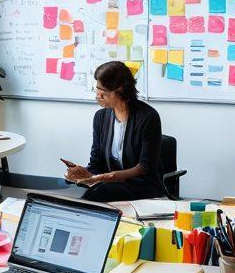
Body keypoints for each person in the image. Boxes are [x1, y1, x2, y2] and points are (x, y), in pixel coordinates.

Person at [62, 60, 166, 203]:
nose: (98, 95)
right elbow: (96, 162)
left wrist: (108, 177)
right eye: (97, 89)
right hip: (109, 183)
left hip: (140, 185)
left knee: (99, 193)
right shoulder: (100, 117)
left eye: (103, 91)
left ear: (121, 89)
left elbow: (144, 168)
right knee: (71, 186)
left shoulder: (148, 117)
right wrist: (84, 174)